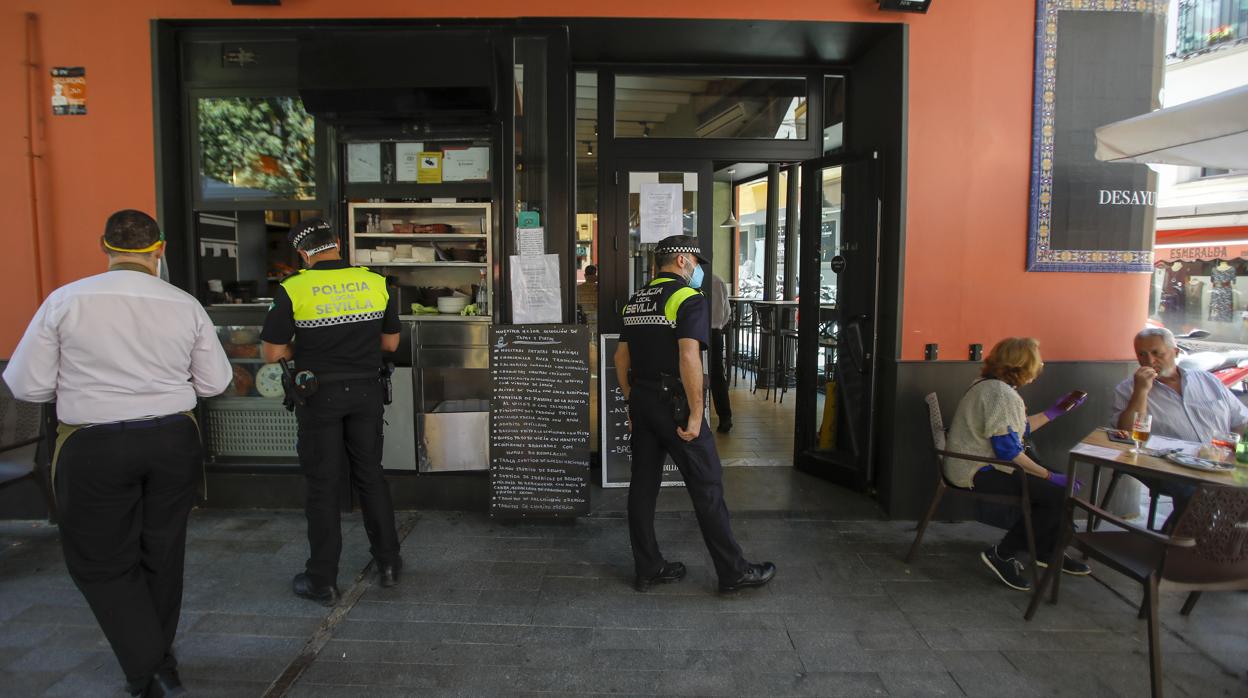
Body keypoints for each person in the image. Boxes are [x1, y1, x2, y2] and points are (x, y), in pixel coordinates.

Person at [3, 210, 232, 697]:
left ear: (104, 246)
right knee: (162, 552)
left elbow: (27, 385)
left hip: (93, 443)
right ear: (159, 249)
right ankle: (156, 663)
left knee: (99, 561)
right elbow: (215, 382)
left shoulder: (65, 300)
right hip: (172, 439)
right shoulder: (184, 303)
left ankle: (148, 668)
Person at [614, 234, 775, 593]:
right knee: (707, 485)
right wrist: (697, 413)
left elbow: (621, 359)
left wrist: (630, 401)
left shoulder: (636, 300)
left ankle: (648, 568)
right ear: (682, 260)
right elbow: (689, 357)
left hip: (642, 402)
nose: (698, 269)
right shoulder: (688, 298)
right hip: (674, 405)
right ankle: (733, 572)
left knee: (642, 486)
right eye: (697, 263)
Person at [261, 218, 403, 605]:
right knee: (370, 476)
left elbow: (273, 352)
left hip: (318, 395)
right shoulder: (374, 282)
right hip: (366, 392)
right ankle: (389, 563)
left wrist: (305, 348)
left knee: (323, 486)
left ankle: (322, 579)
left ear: (302, 253)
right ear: (337, 242)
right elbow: (390, 344)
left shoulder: (293, 288)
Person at [945, 337, 1091, 592]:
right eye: (1038, 361)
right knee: (1057, 491)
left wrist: (1055, 412)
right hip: (976, 469)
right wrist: (1048, 476)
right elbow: (1008, 451)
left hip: (973, 463)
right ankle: (1003, 553)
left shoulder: (988, 385)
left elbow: (1016, 431)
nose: (1041, 365)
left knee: (1059, 488)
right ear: (1023, 366)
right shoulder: (1002, 394)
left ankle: (1045, 550)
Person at [1112, 327, 1248, 525]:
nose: (1149, 361)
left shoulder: (1208, 380)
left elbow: (1241, 421)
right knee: (1198, 494)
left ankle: (1222, 538)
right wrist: (1141, 392)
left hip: (1217, 461)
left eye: (1157, 353)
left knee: (1235, 492)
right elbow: (1126, 433)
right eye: (1142, 354)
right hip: (1166, 464)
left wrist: (1239, 451)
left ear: (1175, 352)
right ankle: (1174, 541)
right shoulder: (1128, 389)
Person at [708, 273, 733, 433]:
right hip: (715, 333)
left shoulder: (686, 281)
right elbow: (726, 313)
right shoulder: (718, 280)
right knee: (717, 376)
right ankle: (725, 417)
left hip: (691, 333)